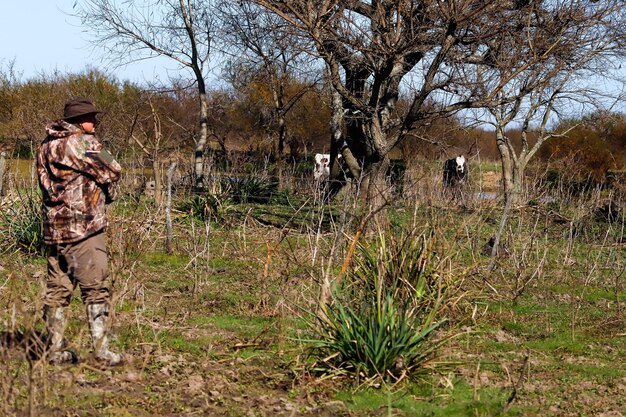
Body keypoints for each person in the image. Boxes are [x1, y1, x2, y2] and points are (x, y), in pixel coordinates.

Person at [36, 98, 123, 366]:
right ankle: (101, 352)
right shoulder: (84, 143)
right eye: (90, 118)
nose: (95, 122)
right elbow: (114, 168)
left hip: (55, 229)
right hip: (85, 228)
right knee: (96, 288)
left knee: (58, 289)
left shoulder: (45, 146)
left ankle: (54, 350)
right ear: (78, 120)